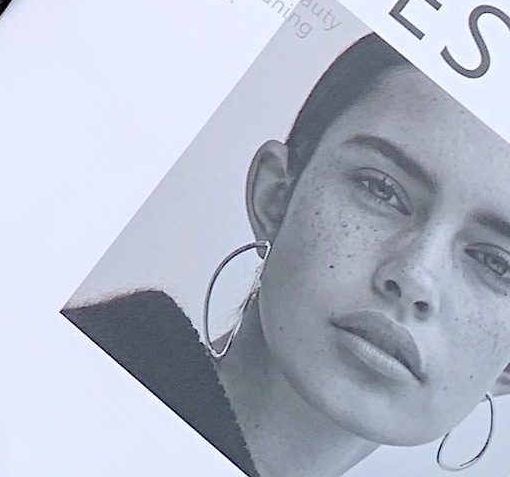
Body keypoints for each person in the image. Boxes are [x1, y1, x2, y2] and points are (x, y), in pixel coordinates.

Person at [65, 34, 510, 477]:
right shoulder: (67, 384)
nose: (415, 277)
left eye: (497, 263)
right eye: (381, 189)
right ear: (275, 198)